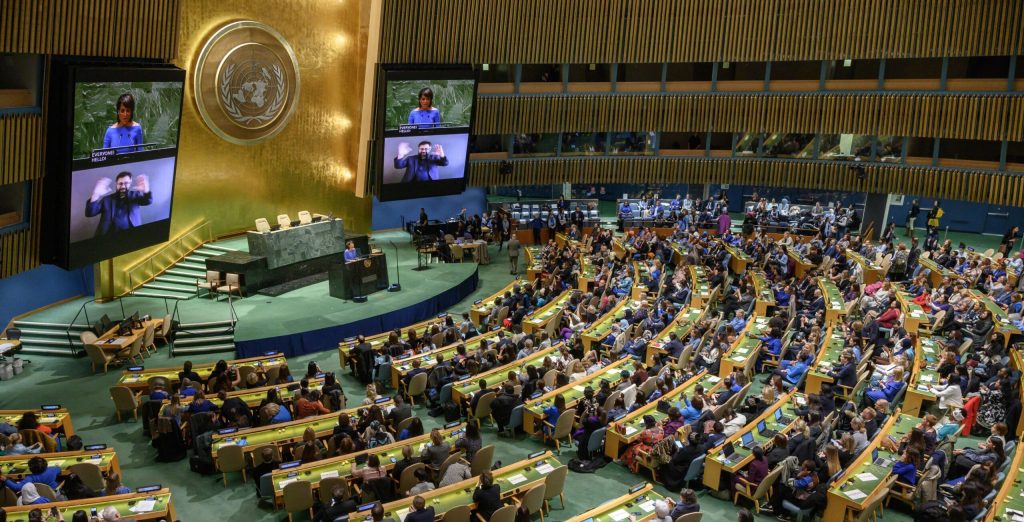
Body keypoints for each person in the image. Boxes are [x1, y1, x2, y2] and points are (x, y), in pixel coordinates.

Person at [85, 171, 153, 237]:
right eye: (120, 183)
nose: (123, 186)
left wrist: (146, 191)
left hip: (132, 236)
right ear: (116, 184)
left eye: (126, 183)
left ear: (130, 183)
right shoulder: (107, 199)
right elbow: (90, 213)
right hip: (108, 237)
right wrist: (96, 194)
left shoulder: (135, 195)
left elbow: (148, 201)